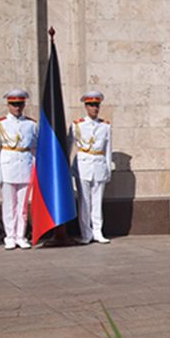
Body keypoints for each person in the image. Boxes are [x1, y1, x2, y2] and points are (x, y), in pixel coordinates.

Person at [0, 89, 38, 250]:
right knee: (9, 205)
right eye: (14, 104)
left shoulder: (31, 124)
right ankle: (9, 236)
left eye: (20, 104)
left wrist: (35, 169)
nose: (17, 107)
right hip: (7, 168)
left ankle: (21, 235)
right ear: (8, 105)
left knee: (23, 206)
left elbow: (34, 149)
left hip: (25, 167)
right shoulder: (0, 124)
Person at [70, 90, 113, 244]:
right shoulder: (77, 125)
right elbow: (69, 147)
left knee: (97, 201)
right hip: (83, 167)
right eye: (91, 105)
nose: (95, 108)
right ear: (86, 106)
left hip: (99, 166)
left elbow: (108, 149)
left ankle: (97, 231)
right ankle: (86, 233)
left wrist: (108, 169)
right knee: (84, 202)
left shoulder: (105, 126)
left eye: (96, 105)